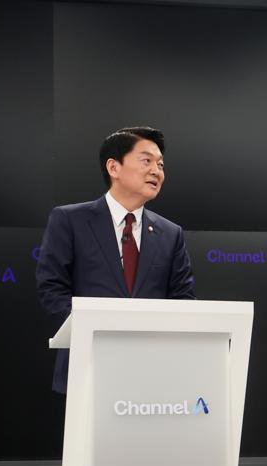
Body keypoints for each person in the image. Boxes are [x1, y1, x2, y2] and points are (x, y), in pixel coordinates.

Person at [36, 126, 195, 394]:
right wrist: (92, 330)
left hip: (153, 372)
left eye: (160, 164)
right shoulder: (70, 220)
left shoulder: (170, 233)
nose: (156, 171)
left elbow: (183, 298)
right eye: (146, 161)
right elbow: (52, 287)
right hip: (88, 365)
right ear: (114, 167)